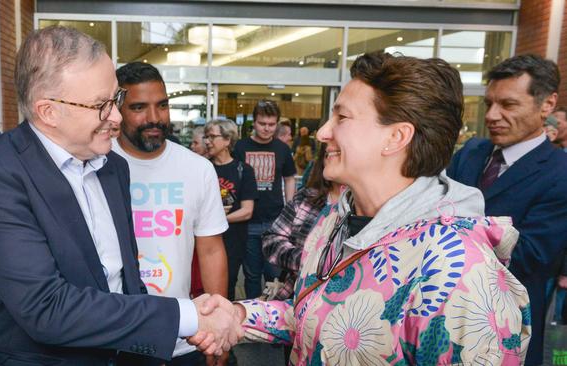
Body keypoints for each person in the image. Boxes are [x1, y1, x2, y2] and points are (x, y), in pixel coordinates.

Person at [193, 51, 531, 364]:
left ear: (396, 137)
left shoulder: (460, 273)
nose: (324, 132)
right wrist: (238, 316)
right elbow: (315, 316)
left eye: (342, 117)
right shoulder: (336, 220)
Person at [0, 26, 241, 365]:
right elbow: (47, 308)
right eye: (102, 105)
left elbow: (124, 279)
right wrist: (189, 317)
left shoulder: (113, 166)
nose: (117, 117)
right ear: (48, 111)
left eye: (115, 99)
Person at [447, 54, 567, 366]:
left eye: (508, 105)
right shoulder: (472, 152)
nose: (492, 115)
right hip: (444, 313)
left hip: (506, 324)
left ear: (547, 105)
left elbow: (533, 255)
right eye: (489, 104)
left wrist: (453, 227)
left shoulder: (560, 173)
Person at [112, 61, 230, 365]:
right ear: (117, 110)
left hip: (184, 336)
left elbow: (211, 251)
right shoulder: (99, 166)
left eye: (162, 105)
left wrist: (219, 328)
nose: (154, 118)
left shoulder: (198, 169)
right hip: (114, 338)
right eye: (139, 107)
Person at [233, 99, 296, 299]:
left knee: (274, 275)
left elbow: (289, 179)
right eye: (262, 124)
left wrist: (291, 209)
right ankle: (251, 316)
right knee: (251, 275)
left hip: (275, 221)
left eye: (271, 124)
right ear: (254, 122)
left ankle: (272, 317)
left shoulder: (282, 149)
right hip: (247, 221)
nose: (267, 128)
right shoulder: (241, 147)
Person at [262, 144, 341, 301]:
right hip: (293, 297)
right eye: (329, 154)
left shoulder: (368, 208)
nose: (333, 159)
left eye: (339, 153)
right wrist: (307, 261)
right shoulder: (306, 198)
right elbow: (271, 240)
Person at [203, 118, 258, 301]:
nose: (207, 141)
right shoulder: (202, 168)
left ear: (227, 140)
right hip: (204, 242)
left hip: (232, 241)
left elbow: (247, 211)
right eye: (206, 137)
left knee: (228, 285)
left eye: (212, 136)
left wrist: (217, 220)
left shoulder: (244, 170)